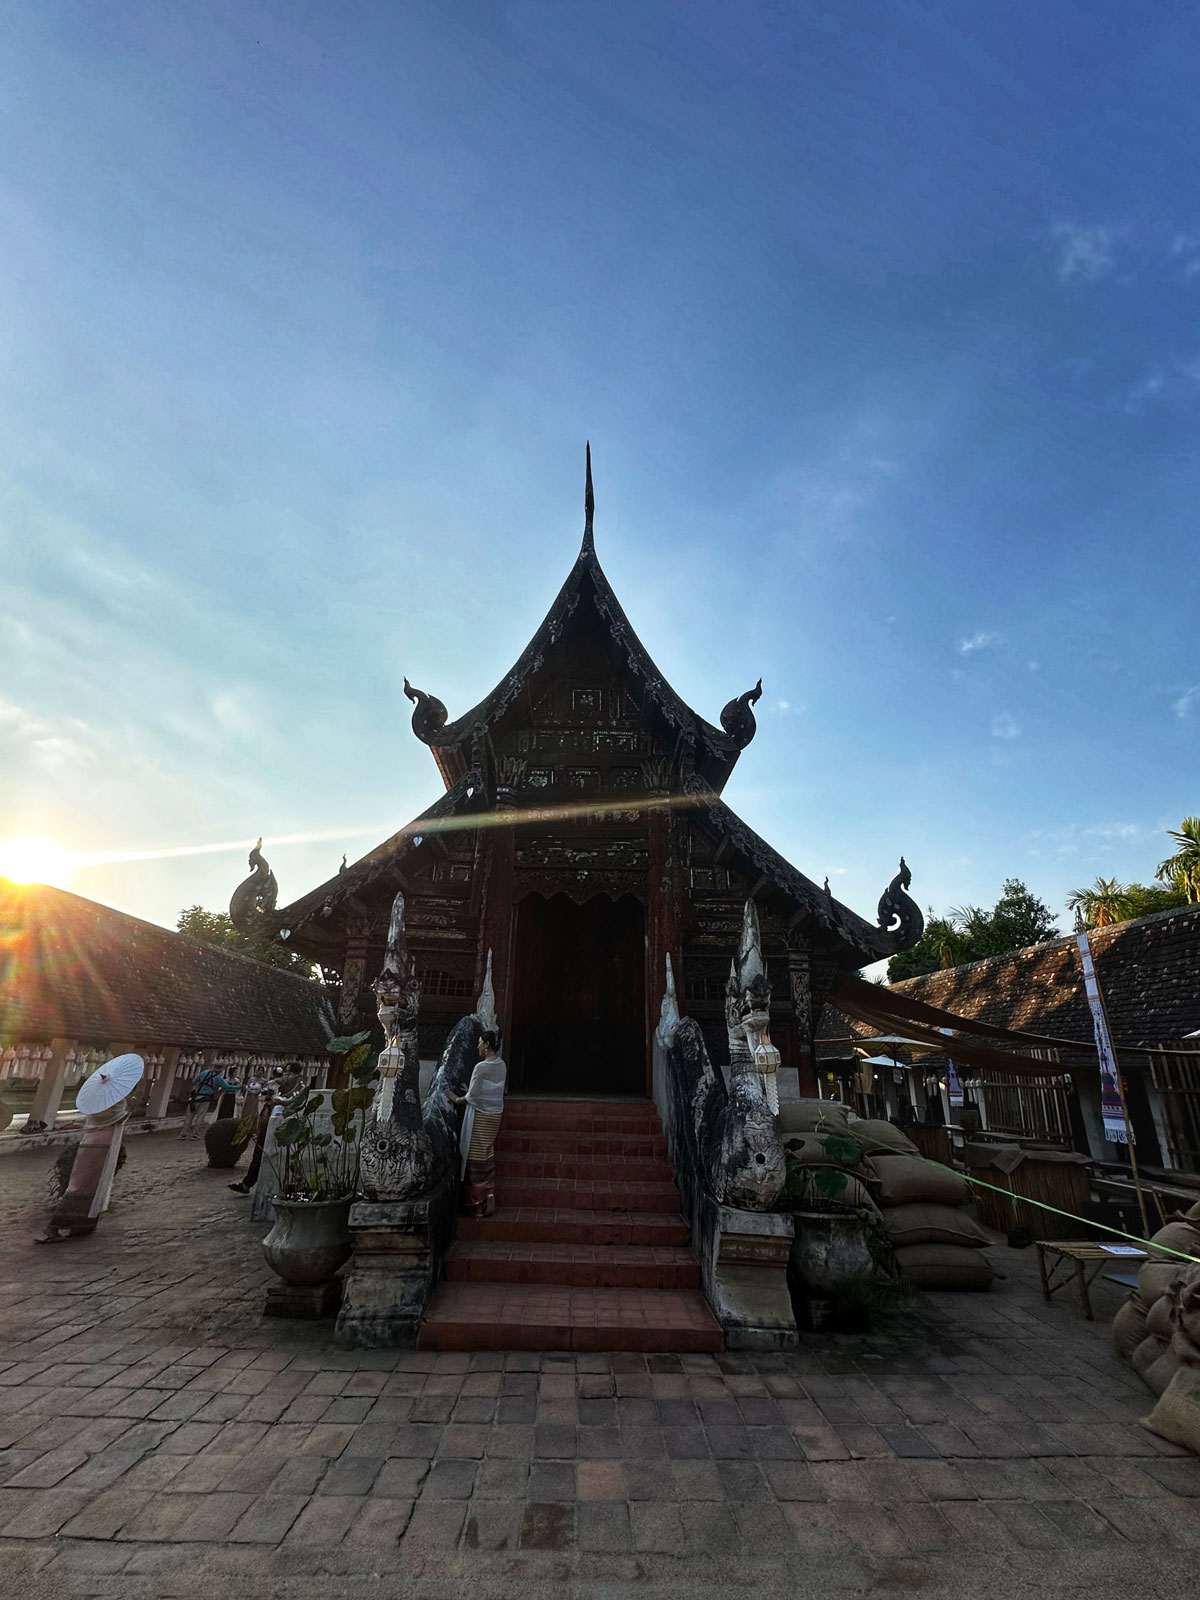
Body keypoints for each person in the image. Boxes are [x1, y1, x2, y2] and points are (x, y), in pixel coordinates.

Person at [451, 1029, 506, 1217]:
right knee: (487, 1153)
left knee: (475, 1159)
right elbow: (491, 1090)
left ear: (487, 1045)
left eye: (480, 1042)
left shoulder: (481, 1067)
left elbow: (472, 1097)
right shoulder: (502, 1065)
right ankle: (489, 1192)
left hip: (481, 1117)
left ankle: (479, 1202)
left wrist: (456, 1098)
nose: (478, 1046)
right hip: (495, 1115)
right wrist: (471, 1090)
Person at [179, 1064, 239, 1140]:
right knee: (200, 1117)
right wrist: (237, 1087)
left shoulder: (204, 1073)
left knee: (189, 1116)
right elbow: (226, 1087)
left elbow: (194, 1081)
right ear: (221, 1070)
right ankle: (195, 1135)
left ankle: (183, 1134)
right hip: (206, 1099)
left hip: (195, 1097)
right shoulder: (218, 1078)